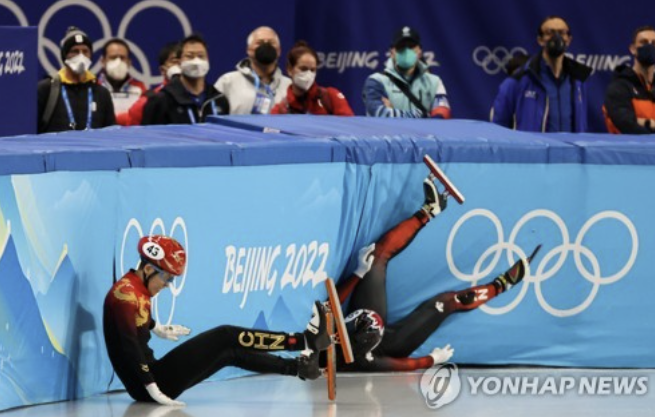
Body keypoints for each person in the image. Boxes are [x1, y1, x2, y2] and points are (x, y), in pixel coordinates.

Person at [331, 173, 540, 371]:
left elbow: (333, 300)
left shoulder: (332, 326)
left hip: (357, 331)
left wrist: (359, 273)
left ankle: (429, 210)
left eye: (363, 318)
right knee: (448, 301)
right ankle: (501, 285)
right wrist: (432, 359)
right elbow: (405, 365)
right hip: (390, 345)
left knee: (375, 257)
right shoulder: (367, 359)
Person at [104, 235, 330, 406]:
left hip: (147, 382)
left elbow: (134, 323)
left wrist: (157, 327)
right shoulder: (124, 296)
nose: (168, 285)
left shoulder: (135, 288)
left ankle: (300, 368)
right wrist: (152, 387)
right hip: (151, 382)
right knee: (225, 335)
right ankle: (303, 340)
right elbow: (129, 347)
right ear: (147, 269)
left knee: (230, 354)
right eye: (167, 278)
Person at [490, 16, 592, 132]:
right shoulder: (519, 80)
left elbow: (581, 125)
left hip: (570, 144)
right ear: (540, 40)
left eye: (562, 33)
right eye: (550, 32)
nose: (556, 37)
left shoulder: (578, 80)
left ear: (569, 40)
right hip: (534, 145)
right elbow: (499, 127)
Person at [37, 26, 115, 133]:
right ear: (65, 55)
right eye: (75, 51)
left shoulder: (102, 93)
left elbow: (111, 133)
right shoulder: (46, 89)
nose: (81, 56)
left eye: (85, 51)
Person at [362, 26, 451, 118]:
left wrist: (394, 112)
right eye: (401, 46)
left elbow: (442, 115)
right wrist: (422, 115)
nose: (406, 50)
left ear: (419, 51)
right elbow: (380, 114)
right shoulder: (375, 81)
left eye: (411, 46)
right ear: (392, 52)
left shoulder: (434, 82)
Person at [142, 34, 229, 125]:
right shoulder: (161, 100)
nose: (196, 62)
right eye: (189, 56)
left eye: (201, 56)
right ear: (179, 62)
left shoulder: (219, 99)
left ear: (208, 60)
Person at [214, 26, 291, 114]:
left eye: (271, 43)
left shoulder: (289, 86)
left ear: (279, 51)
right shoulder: (228, 82)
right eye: (259, 43)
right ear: (248, 50)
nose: (266, 46)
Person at [271, 41, 354, 116]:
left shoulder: (331, 97)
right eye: (303, 69)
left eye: (312, 70)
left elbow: (349, 125)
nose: (308, 74)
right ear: (289, 69)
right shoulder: (280, 110)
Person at [603, 26, 655, 134]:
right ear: (633, 49)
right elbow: (626, 124)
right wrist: (649, 123)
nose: (650, 46)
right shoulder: (619, 87)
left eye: (654, 43)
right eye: (644, 42)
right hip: (628, 145)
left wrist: (643, 122)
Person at [124, 42, 181, 126]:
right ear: (162, 70)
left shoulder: (201, 98)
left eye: (184, 60)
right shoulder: (147, 102)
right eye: (175, 62)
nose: (181, 65)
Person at [97, 38, 147, 124]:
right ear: (103, 61)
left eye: (122, 58)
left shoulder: (140, 89)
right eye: (113, 57)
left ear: (129, 62)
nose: (118, 61)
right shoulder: (95, 88)